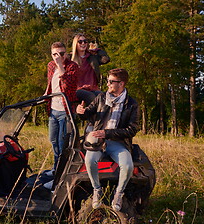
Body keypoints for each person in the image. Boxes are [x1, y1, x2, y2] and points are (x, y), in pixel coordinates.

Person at [76, 68, 139, 212]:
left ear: (121, 84)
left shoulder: (132, 104)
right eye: (107, 80)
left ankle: (119, 193)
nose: (108, 84)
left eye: (111, 81)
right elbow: (88, 113)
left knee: (128, 166)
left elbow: (132, 130)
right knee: (90, 160)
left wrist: (107, 133)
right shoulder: (102, 97)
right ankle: (96, 189)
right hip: (98, 142)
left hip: (118, 142)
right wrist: (81, 112)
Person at [43, 42, 79, 177]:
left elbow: (67, 86)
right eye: (55, 54)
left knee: (62, 141)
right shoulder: (51, 65)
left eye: (62, 54)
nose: (58, 57)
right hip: (53, 109)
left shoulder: (72, 66)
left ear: (67, 53)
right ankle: (56, 167)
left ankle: (61, 171)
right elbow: (50, 84)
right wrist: (45, 95)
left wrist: (60, 66)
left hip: (65, 110)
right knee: (53, 140)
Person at [71, 33, 110, 106]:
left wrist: (97, 50)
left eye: (85, 41)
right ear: (75, 44)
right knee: (91, 97)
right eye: (80, 42)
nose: (83, 43)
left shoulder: (92, 57)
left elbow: (106, 59)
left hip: (93, 88)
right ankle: (93, 116)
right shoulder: (71, 59)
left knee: (104, 97)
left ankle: (102, 117)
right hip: (78, 89)